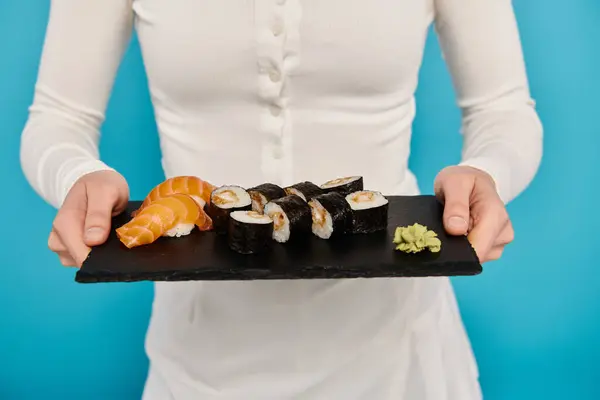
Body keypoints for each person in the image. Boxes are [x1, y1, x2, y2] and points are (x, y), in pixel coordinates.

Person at [19, 1, 542, 399]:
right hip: (200, 353)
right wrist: (77, 175)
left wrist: (486, 172)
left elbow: (503, 108)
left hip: (399, 353)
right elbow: (58, 117)